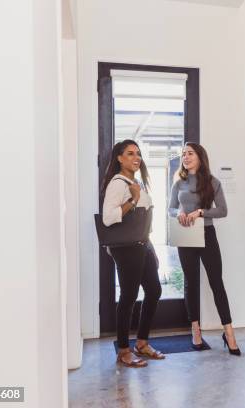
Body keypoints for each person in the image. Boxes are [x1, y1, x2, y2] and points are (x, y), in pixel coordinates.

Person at [169, 142, 241, 356]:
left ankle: (229, 333)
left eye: (190, 153)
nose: (185, 157)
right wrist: (178, 214)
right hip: (186, 236)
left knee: (216, 283)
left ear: (200, 157)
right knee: (191, 284)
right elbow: (170, 207)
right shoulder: (178, 183)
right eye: (183, 154)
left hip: (207, 235)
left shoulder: (212, 182)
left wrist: (200, 212)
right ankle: (196, 331)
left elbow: (223, 211)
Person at [101, 139, 165, 367]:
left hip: (142, 244)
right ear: (119, 158)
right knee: (128, 296)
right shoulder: (118, 184)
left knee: (154, 290)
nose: (136, 157)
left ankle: (142, 342)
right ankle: (124, 350)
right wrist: (133, 199)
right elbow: (108, 218)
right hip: (127, 248)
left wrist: (151, 247)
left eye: (138, 153)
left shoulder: (134, 181)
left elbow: (142, 222)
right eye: (130, 153)